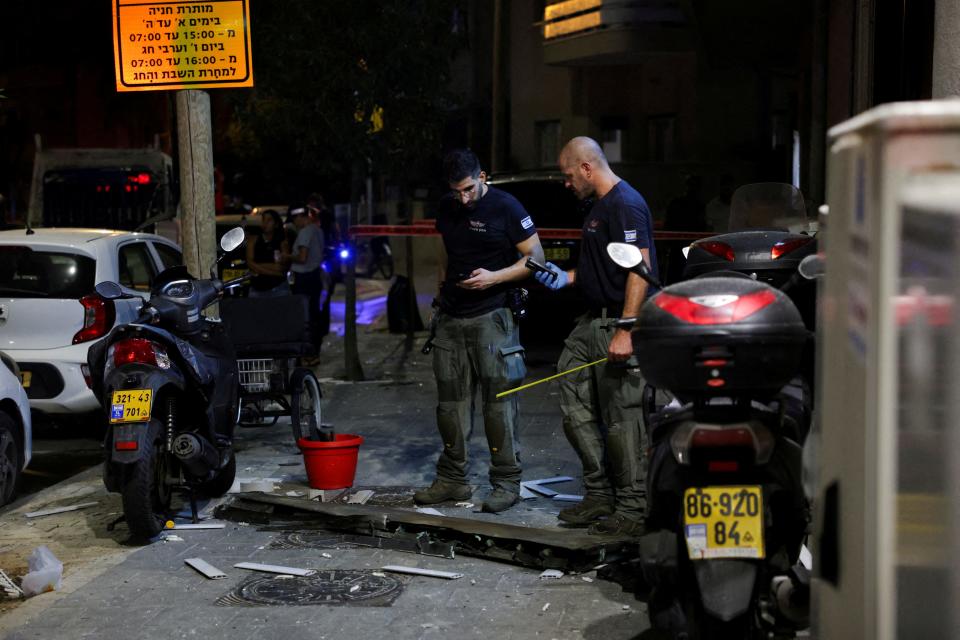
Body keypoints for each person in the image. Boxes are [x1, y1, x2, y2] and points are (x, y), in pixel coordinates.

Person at [534, 136, 656, 536]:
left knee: (622, 419)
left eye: (569, 175)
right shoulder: (599, 209)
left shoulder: (625, 204)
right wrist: (566, 277)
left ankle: (633, 510)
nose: (567, 183)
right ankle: (599, 494)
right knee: (575, 406)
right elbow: (603, 270)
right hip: (591, 323)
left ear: (587, 168)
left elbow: (639, 269)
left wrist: (627, 328)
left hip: (615, 324)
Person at [413, 148, 545, 514]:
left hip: (493, 317)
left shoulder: (507, 207)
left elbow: (537, 259)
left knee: (497, 404)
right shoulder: (448, 206)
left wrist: (494, 278)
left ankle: (506, 482)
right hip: (452, 317)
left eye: (469, 189)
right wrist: (440, 297)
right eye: (457, 191)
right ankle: (453, 480)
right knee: (450, 404)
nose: (463, 197)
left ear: (482, 177)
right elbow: (446, 253)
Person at [284, 206, 326, 358]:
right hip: (314, 276)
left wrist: (286, 256)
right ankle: (314, 350)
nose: (294, 224)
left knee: (305, 316)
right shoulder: (317, 230)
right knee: (314, 314)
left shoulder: (305, 231)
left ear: (299, 217)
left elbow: (302, 257)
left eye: (294, 221)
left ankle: (308, 351)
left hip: (304, 279)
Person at [246, 209, 290, 298]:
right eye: (264, 220)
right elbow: (250, 263)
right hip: (257, 289)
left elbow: (281, 267)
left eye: (269, 220)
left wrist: (258, 267)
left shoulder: (282, 242)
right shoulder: (253, 240)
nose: (265, 223)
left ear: (276, 224)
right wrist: (275, 272)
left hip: (278, 289)